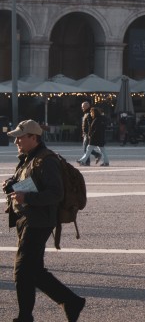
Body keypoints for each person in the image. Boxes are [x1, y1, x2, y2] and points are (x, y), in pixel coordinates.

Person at [5, 120, 86, 322]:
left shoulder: (46, 160)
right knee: (33, 271)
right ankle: (70, 302)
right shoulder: (28, 157)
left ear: (34, 137)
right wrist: (11, 184)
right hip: (26, 219)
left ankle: (26, 316)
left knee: (22, 270)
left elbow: (55, 193)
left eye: (20, 137)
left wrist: (27, 198)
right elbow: (29, 181)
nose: (16, 141)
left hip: (38, 221)